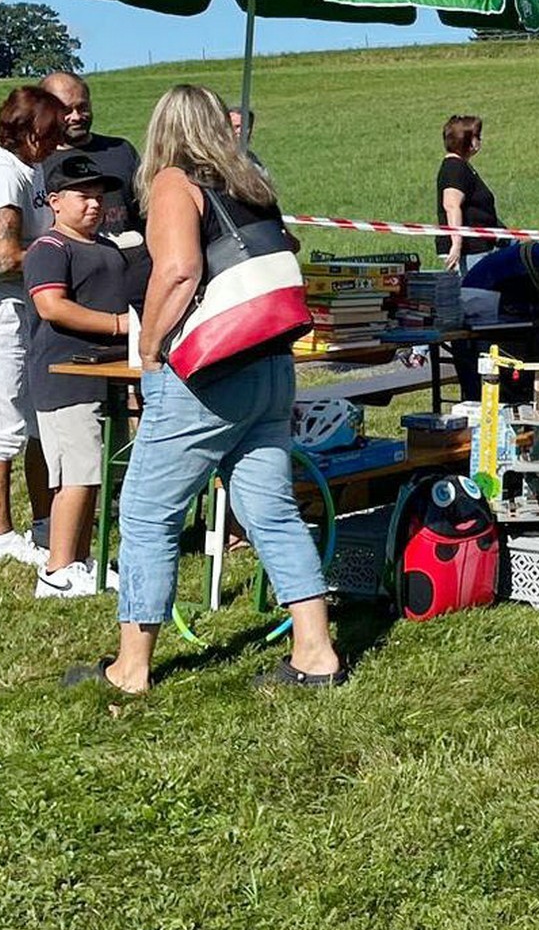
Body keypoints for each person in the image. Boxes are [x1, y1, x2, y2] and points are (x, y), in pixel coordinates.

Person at [65, 85, 345, 694]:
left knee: (146, 511)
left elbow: (178, 271)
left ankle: (131, 668)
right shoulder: (252, 184)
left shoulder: (174, 182)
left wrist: (150, 346)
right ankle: (316, 652)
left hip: (210, 373)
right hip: (271, 363)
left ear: (164, 129)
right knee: (270, 511)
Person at [23, 153, 151, 598]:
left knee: (94, 472)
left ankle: (80, 559)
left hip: (105, 375)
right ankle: (57, 569)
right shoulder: (49, 249)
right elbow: (51, 306)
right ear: (55, 201)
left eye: (99, 196)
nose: (95, 204)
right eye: (83, 196)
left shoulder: (108, 248)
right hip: (65, 377)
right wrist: (118, 325)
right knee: (75, 476)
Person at [0, 84, 67, 568]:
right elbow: (6, 254)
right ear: (25, 131)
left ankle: (44, 524)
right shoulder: (4, 175)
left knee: (40, 423)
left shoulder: (33, 168)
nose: (57, 140)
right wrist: (63, 256)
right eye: (49, 131)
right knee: (0, 427)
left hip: (28, 307)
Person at [38, 71, 142, 235]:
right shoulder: (36, 163)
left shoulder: (121, 150)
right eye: (66, 110)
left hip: (130, 248)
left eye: (83, 107)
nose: (76, 117)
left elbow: (148, 208)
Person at [437, 114, 500, 270]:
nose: (480, 140)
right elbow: (451, 206)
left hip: (481, 246)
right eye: (477, 136)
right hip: (470, 250)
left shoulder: (463, 166)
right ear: (467, 141)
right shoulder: (454, 168)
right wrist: (456, 245)